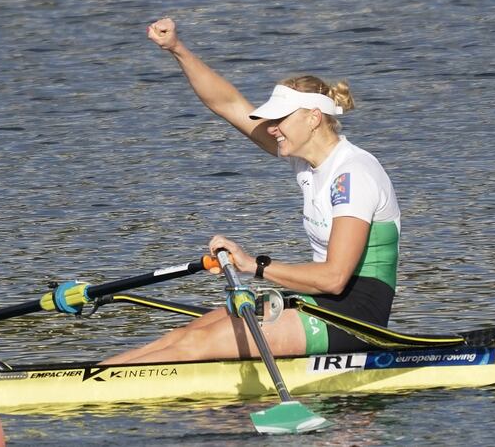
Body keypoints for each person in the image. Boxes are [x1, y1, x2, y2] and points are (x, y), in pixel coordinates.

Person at [101, 18, 400, 365]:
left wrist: (252, 265)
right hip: (318, 302)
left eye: (280, 120)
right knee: (184, 336)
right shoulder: (306, 159)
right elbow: (229, 104)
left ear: (313, 118)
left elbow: (334, 278)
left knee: (192, 350)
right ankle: (92, 376)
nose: (272, 129)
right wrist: (176, 49)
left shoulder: (352, 174)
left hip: (356, 319)